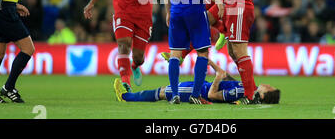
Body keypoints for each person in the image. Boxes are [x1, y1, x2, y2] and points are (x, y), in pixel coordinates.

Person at [113, 59, 280, 104]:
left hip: (201, 91)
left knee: (163, 93)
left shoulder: (240, 93)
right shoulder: (248, 88)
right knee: (165, 89)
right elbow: (229, 79)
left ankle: (126, 97)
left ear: (264, 95)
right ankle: (129, 96)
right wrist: (213, 64)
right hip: (200, 85)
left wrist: (216, 79)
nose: (267, 84)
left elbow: (212, 95)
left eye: (269, 88)